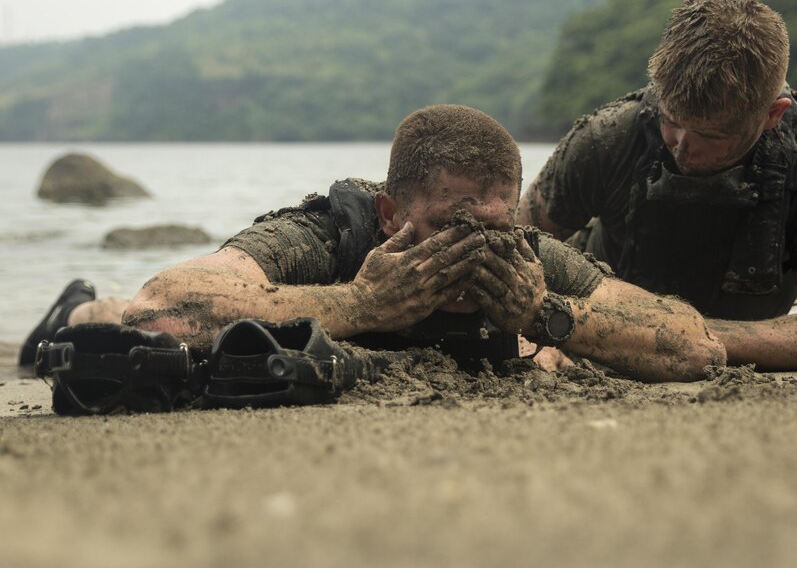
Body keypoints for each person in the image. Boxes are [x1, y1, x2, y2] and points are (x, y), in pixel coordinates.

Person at [21, 104, 726, 382]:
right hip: (321, 291)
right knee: (113, 316)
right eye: (454, 226)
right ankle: (69, 306)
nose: (477, 248)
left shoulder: (517, 253)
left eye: (496, 225)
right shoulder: (332, 231)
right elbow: (164, 302)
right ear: (393, 213)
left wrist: (548, 315)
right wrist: (359, 302)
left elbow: (695, 341)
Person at [517, 0, 797, 371]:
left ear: (772, 114)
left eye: (711, 136)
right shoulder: (608, 137)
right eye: (670, 121)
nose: (681, 146)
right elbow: (512, 243)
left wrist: (675, 335)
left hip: (719, 342)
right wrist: (533, 336)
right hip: (598, 312)